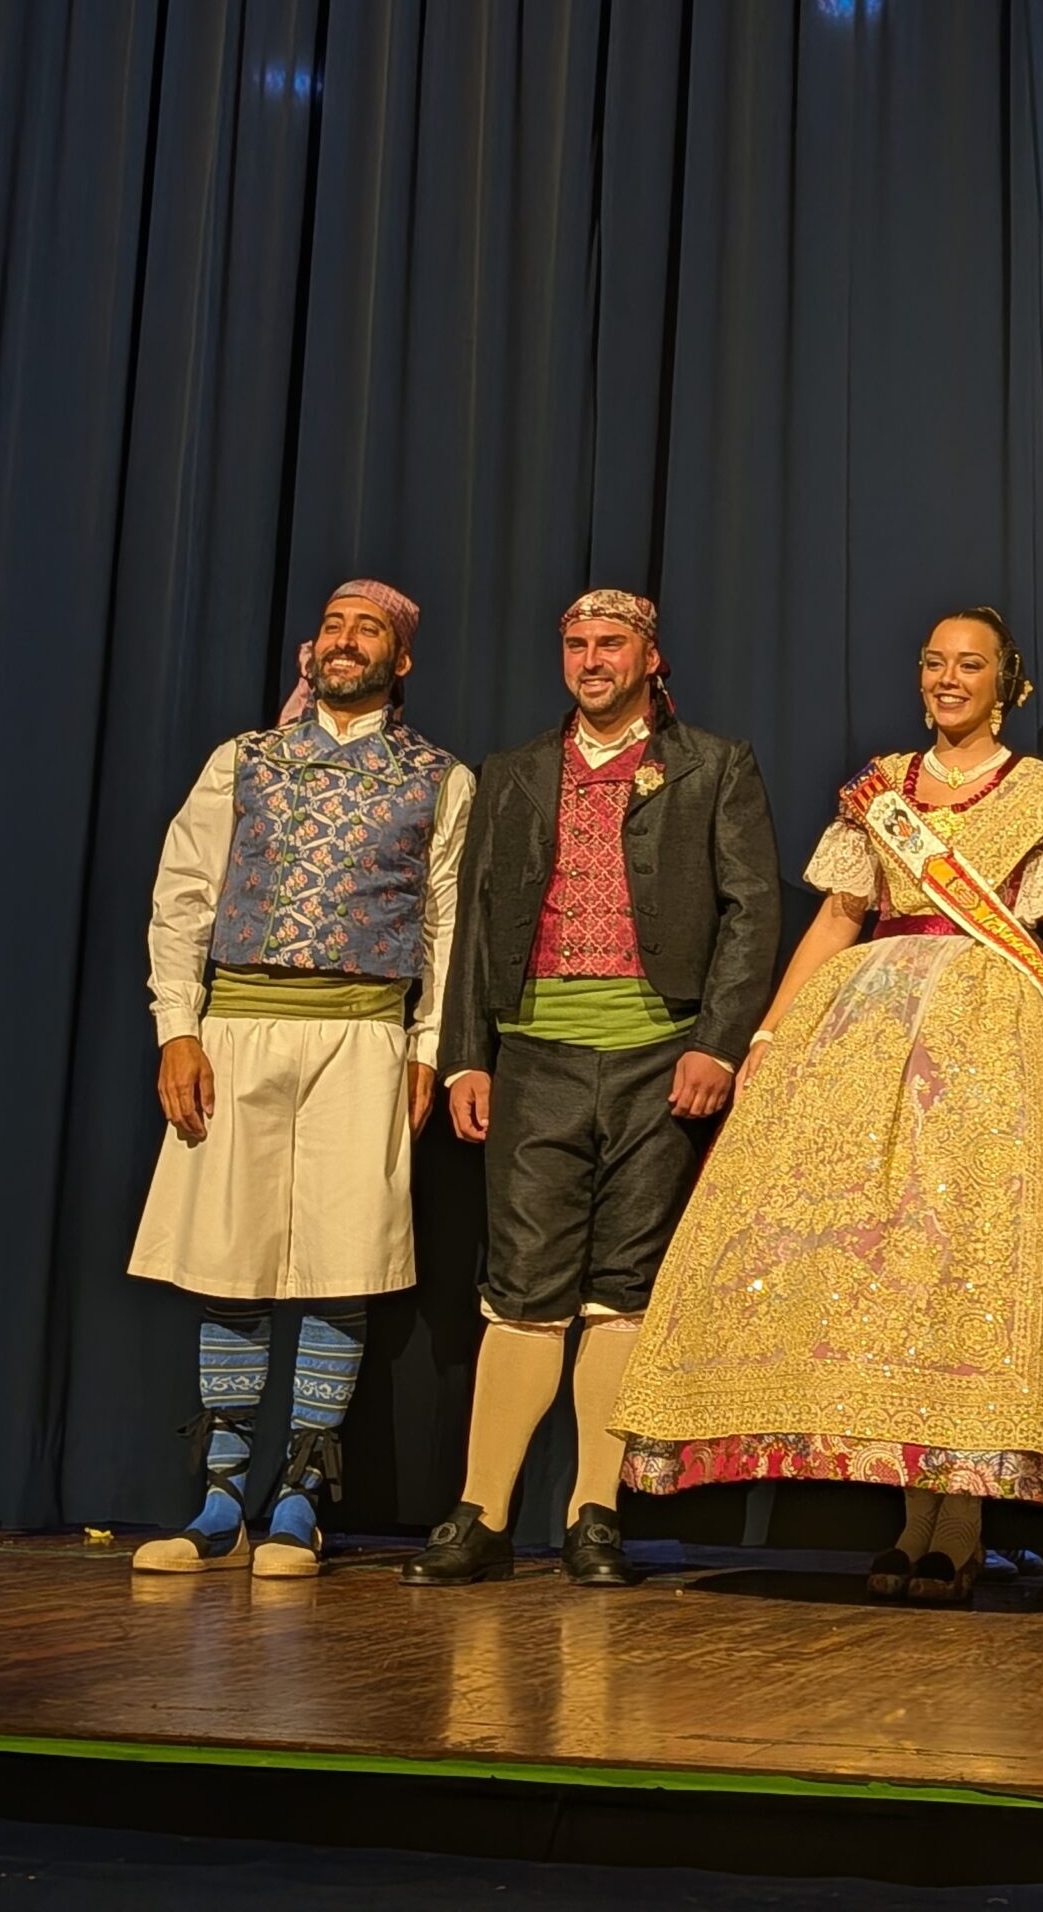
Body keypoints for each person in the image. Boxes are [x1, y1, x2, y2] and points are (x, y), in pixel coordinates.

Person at [615, 610, 1043, 1604]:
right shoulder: (882, 787)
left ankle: (961, 1523)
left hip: (991, 1041)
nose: (949, 678)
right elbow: (838, 916)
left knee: (963, 1267)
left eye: (971, 664)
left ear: (1006, 683)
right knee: (886, 1280)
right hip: (868, 1036)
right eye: (934, 662)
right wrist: (770, 1035)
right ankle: (913, 1517)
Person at [401, 588, 781, 1590]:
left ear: (651, 656)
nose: (591, 659)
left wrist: (718, 1044)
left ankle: (594, 1514)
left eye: (611, 643)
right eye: (575, 644)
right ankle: (482, 1515)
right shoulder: (517, 770)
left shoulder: (713, 765)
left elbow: (751, 912)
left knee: (623, 1287)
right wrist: (468, 1054)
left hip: (660, 1056)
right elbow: (477, 914)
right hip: (536, 1057)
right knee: (524, 1285)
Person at [129, 579, 473, 1578]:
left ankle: (301, 1496)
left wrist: (428, 1046)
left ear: (400, 660)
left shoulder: (439, 778)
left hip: (363, 1035)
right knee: (229, 1254)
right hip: (238, 1024)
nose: (346, 640)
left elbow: (447, 924)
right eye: (332, 626)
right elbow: (183, 896)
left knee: (340, 1255)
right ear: (309, 652)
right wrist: (177, 1029)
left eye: (368, 629)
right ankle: (220, 1494)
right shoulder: (244, 760)